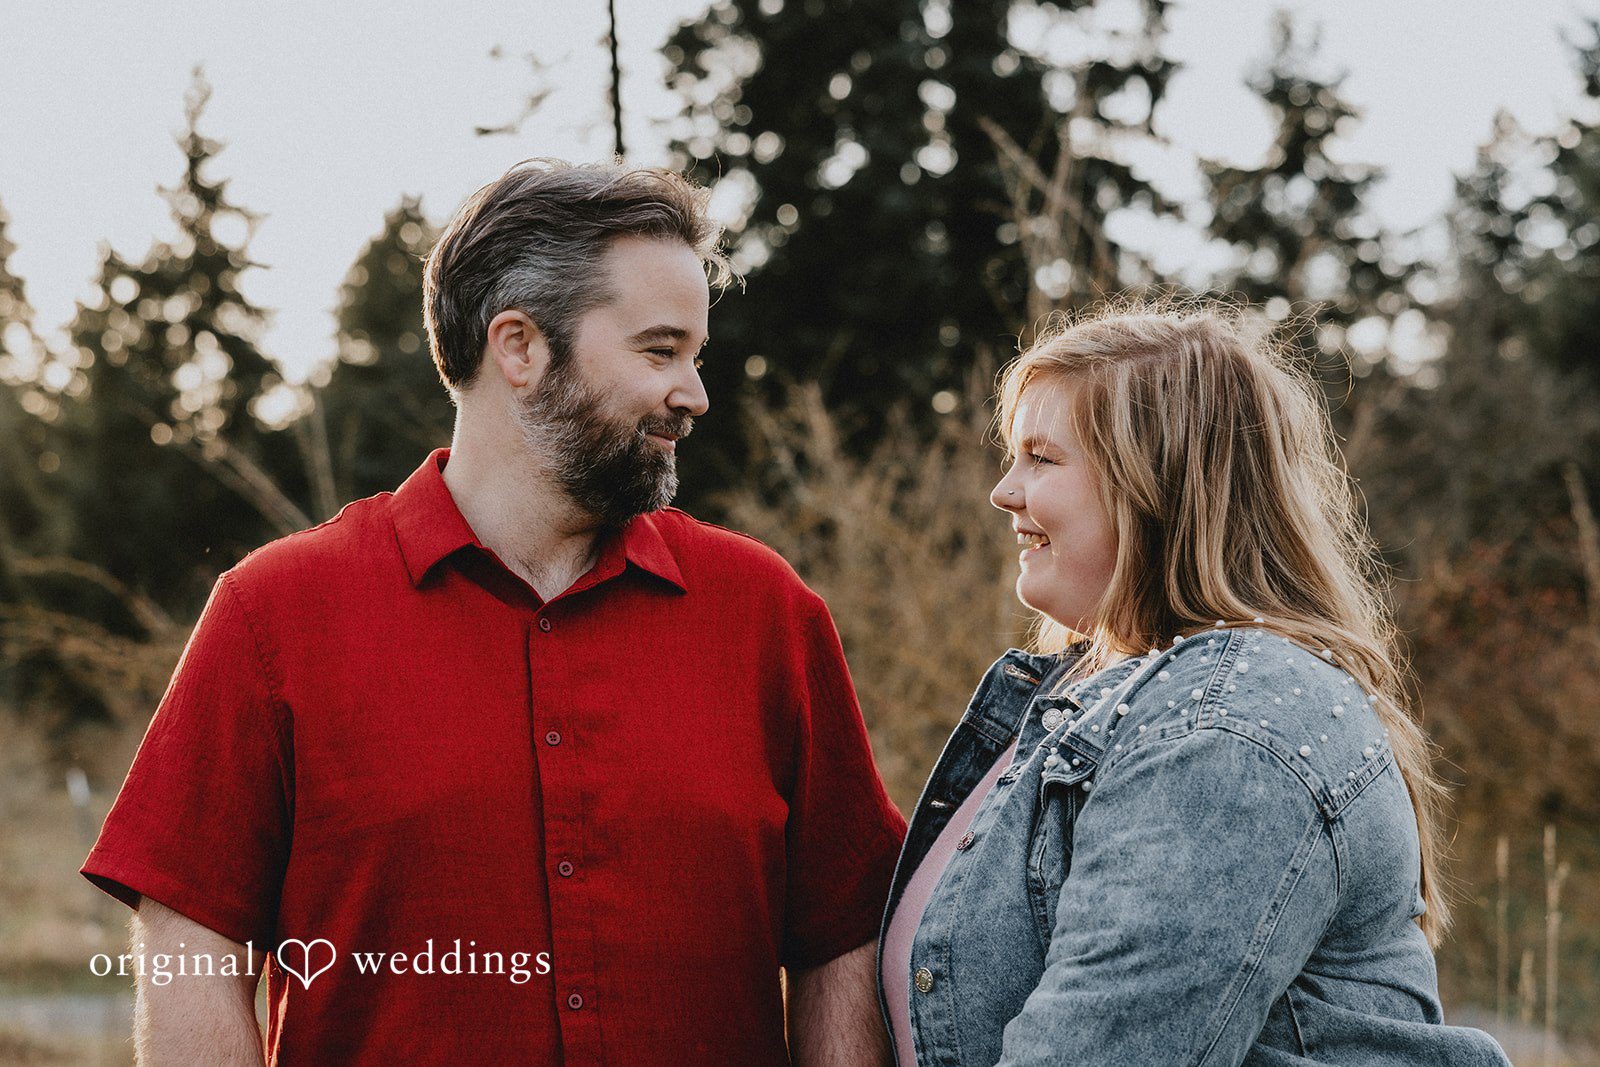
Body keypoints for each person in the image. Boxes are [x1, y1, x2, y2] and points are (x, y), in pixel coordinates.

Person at [82, 158, 906, 1065]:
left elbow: (842, 934)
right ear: (518, 346)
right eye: (659, 350)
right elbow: (190, 936)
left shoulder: (766, 616)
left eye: (694, 356)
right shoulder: (274, 614)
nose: (694, 393)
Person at [878, 302, 1510, 1065]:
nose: (1004, 492)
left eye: (1041, 459)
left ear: (1155, 483)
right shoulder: (1086, 700)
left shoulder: (1227, 724)